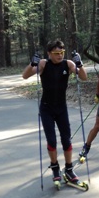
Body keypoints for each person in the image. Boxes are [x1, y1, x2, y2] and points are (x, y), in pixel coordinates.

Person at [22, 39, 87, 186]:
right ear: (49, 53)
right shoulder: (44, 64)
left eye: (62, 52)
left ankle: (69, 169)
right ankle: (55, 167)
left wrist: (80, 64)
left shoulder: (68, 64)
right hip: (46, 108)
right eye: (56, 53)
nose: (60, 55)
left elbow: (83, 77)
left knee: (66, 140)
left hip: (61, 107)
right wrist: (32, 64)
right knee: (51, 140)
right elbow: (25, 76)